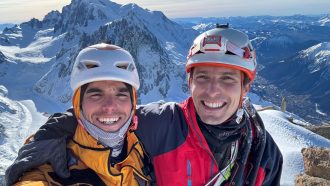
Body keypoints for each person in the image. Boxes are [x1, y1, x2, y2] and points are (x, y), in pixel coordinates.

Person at [6, 25, 282, 186]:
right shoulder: (159, 125)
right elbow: (95, 120)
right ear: (190, 82)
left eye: (227, 79)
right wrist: (44, 143)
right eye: (203, 77)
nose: (213, 90)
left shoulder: (264, 154)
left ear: (247, 86)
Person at [5, 43, 152, 185]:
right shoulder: (49, 163)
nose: (109, 107)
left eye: (121, 95)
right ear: (78, 104)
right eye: (96, 95)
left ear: (133, 103)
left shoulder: (144, 145)